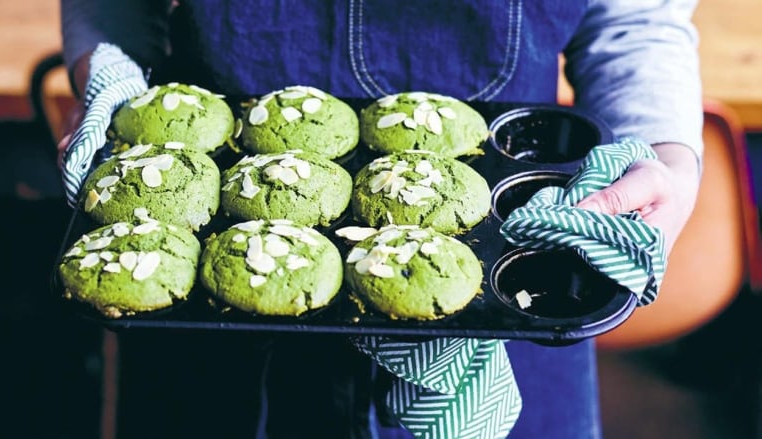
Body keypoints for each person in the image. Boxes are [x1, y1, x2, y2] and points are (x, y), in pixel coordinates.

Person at [58, 1, 703, 438]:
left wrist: (666, 156)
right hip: (209, 310)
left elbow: (635, 21)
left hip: (510, 277)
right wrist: (107, 74)